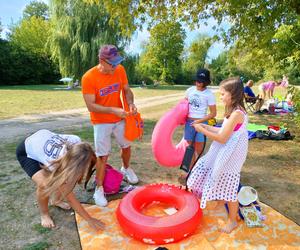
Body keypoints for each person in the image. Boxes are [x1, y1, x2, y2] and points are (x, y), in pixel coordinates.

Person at [187, 77, 248, 234]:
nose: (220, 98)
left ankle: (232, 221)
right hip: (227, 151)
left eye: (222, 94)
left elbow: (222, 138)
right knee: (218, 175)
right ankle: (221, 202)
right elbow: (222, 131)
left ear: (232, 94)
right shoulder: (233, 112)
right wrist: (204, 125)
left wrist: (203, 130)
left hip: (232, 155)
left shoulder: (237, 114)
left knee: (230, 188)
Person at [82, 44, 139, 207]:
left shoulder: (120, 70)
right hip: (101, 122)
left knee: (126, 145)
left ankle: (126, 168)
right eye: (112, 63)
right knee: (102, 155)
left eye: (117, 62)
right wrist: (112, 110)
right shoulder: (89, 77)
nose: (115, 66)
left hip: (120, 118)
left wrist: (130, 103)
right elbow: (91, 106)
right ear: (102, 60)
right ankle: (99, 189)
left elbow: (127, 89)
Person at [16, 129, 105, 230]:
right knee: (45, 185)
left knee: (65, 181)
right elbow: (70, 197)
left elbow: (94, 161)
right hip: (26, 150)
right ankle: (44, 214)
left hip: (41, 139)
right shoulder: (52, 164)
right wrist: (89, 219)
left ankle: (56, 201)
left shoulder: (77, 142)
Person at [184, 68, 216, 167]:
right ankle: (188, 171)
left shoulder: (209, 94)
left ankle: (197, 170)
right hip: (189, 123)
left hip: (201, 124)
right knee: (189, 148)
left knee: (199, 149)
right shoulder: (189, 90)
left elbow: (213, 113)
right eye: (197, 80)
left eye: (201, 81)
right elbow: (183, 106)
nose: (198, 83)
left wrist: (199, 121)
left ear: (206, 82)